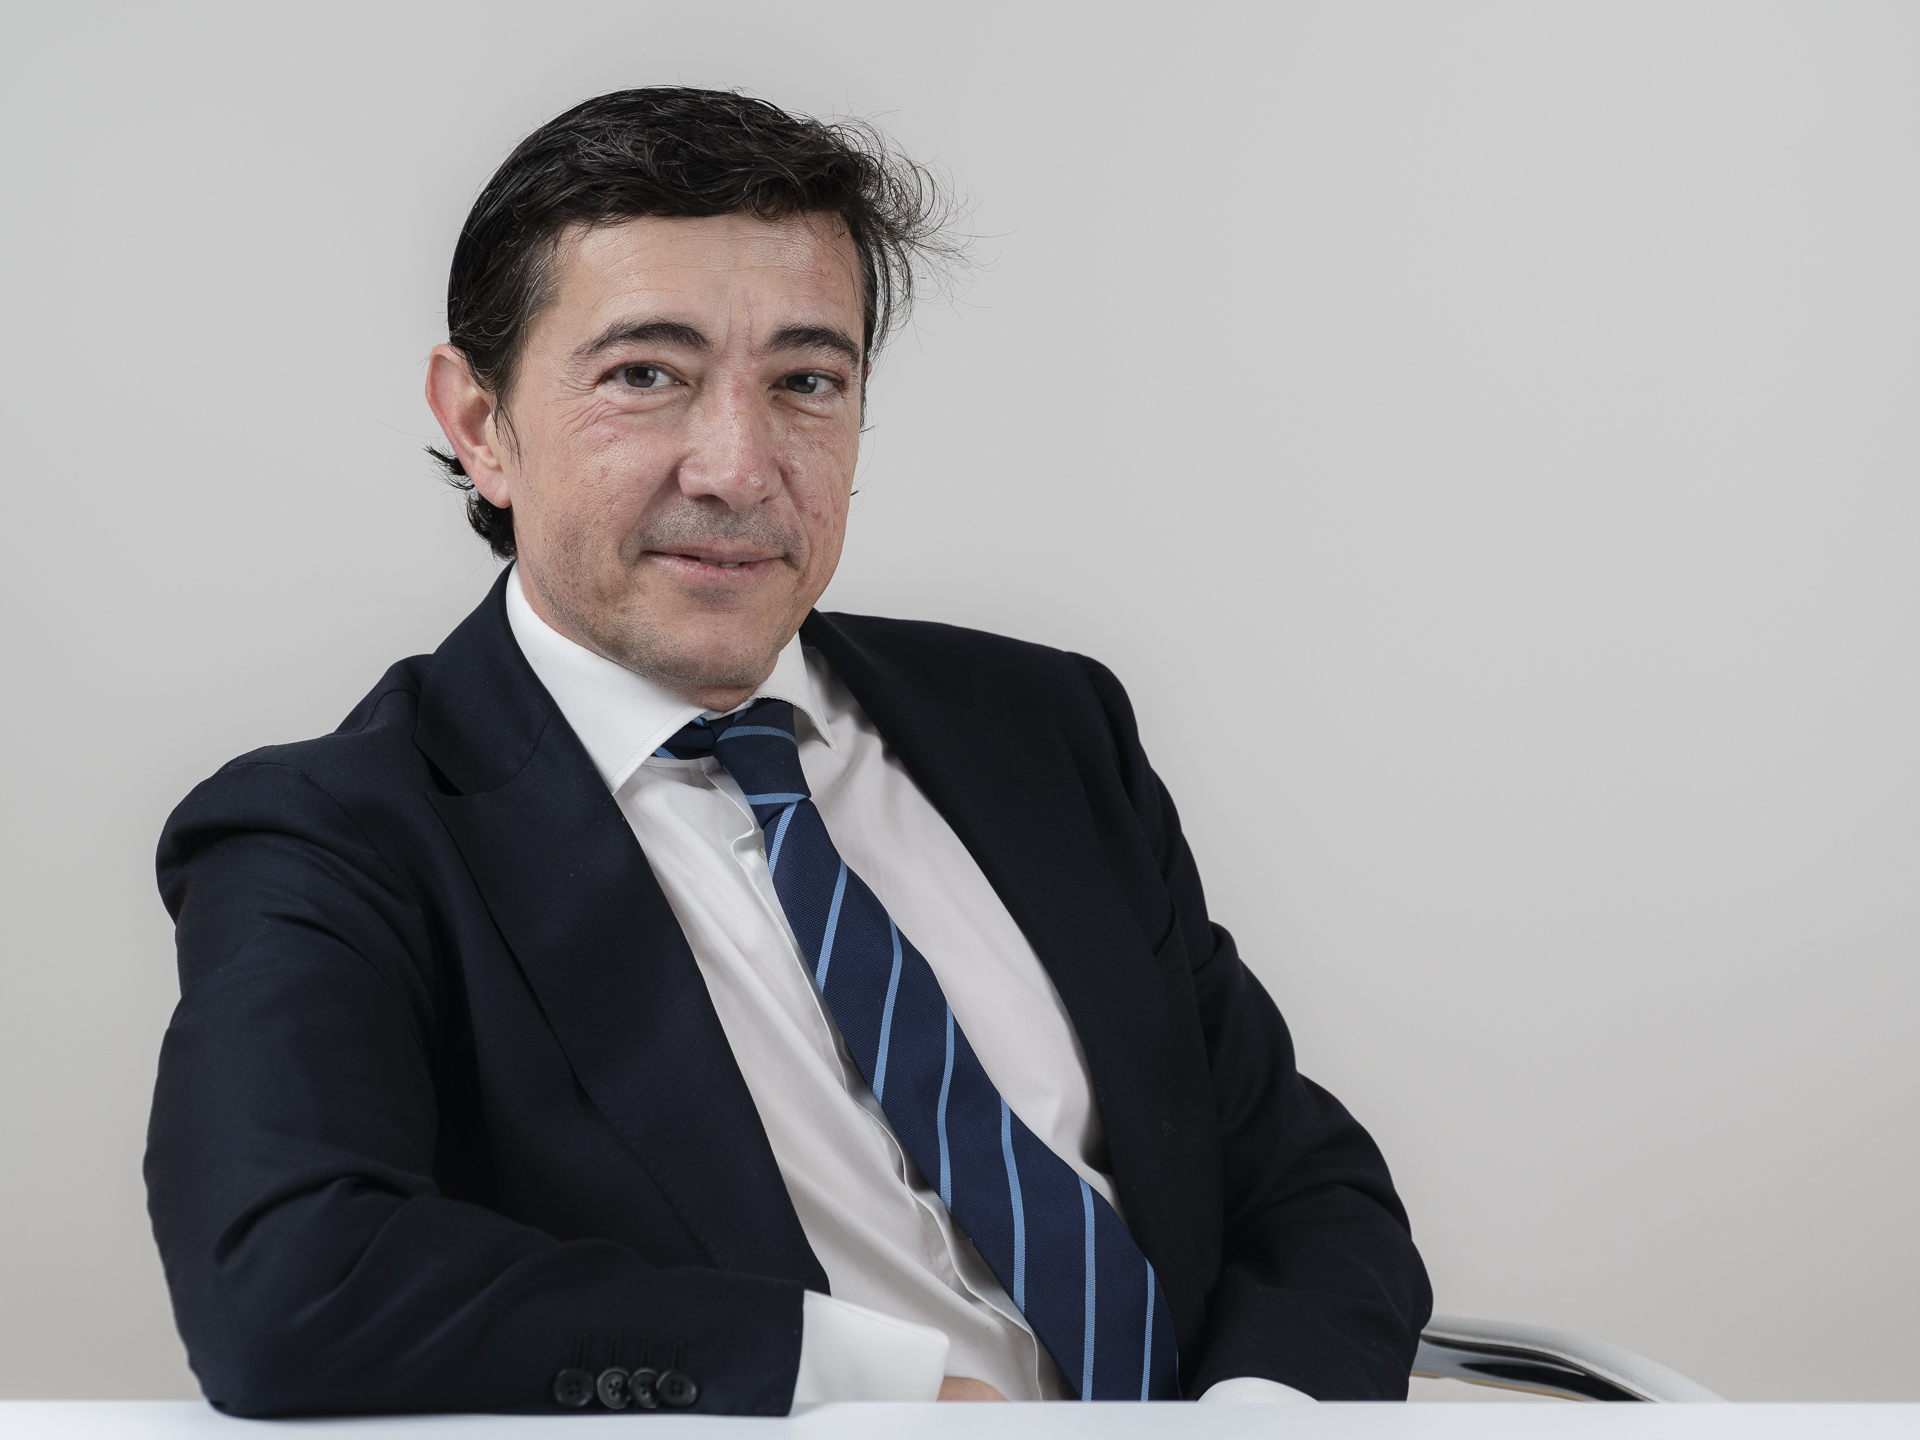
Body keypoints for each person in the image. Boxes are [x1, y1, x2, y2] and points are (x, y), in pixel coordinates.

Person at [146, 87, 1431, 1418]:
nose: (739, 468)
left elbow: (1300, 1186)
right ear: (481, 424)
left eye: (806, 382)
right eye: (646, 375)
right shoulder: (335, 837)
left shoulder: (1043, 727)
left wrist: (1261, 1419)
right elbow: (289, 1280)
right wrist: (864, 1394)